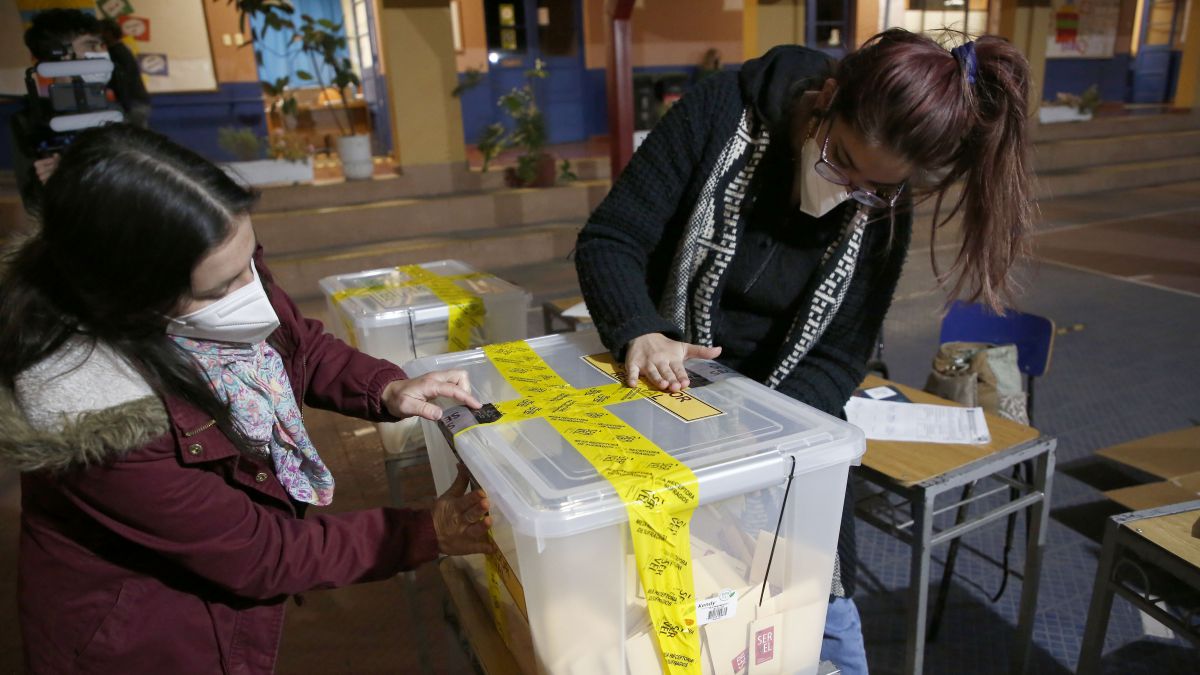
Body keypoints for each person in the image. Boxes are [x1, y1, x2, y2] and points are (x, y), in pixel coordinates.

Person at [575, 29, 1033, 674]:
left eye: (871, 186)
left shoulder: (882, 204)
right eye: (839, 157)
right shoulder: (720, 113)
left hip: (780, 420)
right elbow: (611, 239)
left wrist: (760, 443)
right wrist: (639, 329)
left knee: (810, 591)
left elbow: (839, 356)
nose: (847, 189)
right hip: (661, 386)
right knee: (656, 599)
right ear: (828, 96)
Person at [0, 124, 496, 673]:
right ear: (130, 299)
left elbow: (292, 342)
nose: (251, 299)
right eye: (220, 290)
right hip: (147, 642)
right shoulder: (97, 420)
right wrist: (430, 530)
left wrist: (386, 386)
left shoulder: (209, 252)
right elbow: (263, 553)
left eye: (251, 266)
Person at [98, 18, 153, 128]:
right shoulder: (122, 49)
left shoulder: (116, 52)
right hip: (137, 102)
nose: (99, 36)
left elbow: (121, 81)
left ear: (109, 32)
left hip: (132, 103)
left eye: (101, 32)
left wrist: (125, 105)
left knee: (131, 140)